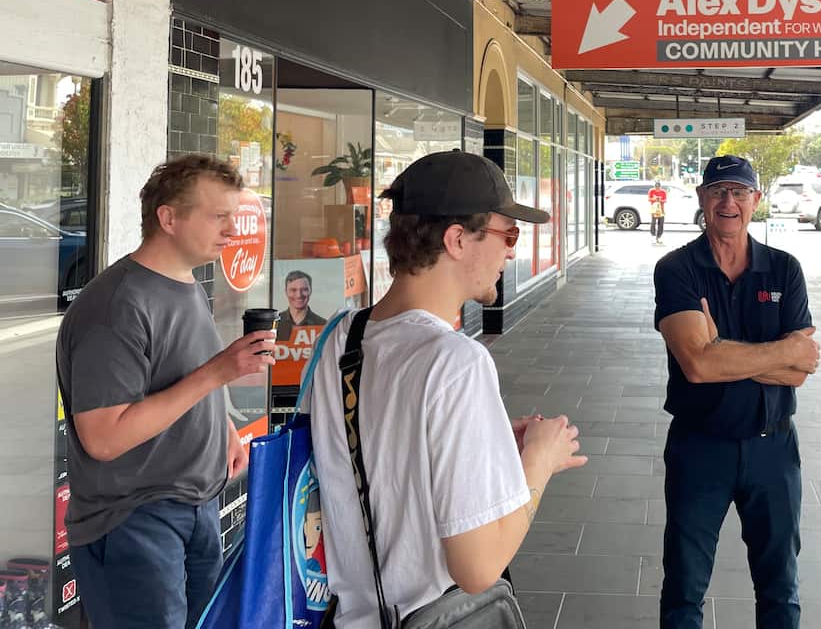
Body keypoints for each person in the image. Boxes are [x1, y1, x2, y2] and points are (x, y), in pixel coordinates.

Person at [306, 151, 587, 626]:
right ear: (457, 239)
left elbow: (386, 451)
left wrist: (488, 441)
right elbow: (478, 568)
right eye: (507, 234)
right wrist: (537, 463)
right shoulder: (457, 362)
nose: (512, 252)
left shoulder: (343, 335)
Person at [56, 154, 277, 629]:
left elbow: (179, 377)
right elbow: (104, 438)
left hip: (195, 508)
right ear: (168, 218)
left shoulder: (185, 284)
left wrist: (223, 432)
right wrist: (218, 374)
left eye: (234, 218)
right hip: (133, 520)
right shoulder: (116, 305)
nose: (232, 231)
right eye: (219, 217)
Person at [654, 154, 820, 629]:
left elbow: (801, 370)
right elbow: (698, 366)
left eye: (740, 192)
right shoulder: (677, 268)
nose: (730, 201)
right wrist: (776, 351)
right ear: (703, 199)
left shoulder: (784, 269)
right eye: (719, 191)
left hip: (773, 449)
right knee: (685, 587)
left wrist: (722, 349)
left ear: (756, 200)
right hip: (699, 446)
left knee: (780, 587)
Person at [276, 269, 326, 342]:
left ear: (310, 291)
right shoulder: (274, 325)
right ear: (286, 292)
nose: (299, 295)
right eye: (293, 290)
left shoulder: (323, 326)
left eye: (304, 289)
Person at [649, 178, 668, 244]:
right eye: (656, 187)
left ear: (660, 187)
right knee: (653, 222)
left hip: (661, 210)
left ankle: (659, 236)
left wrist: (660, 200)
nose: (657, 188)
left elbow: (665, 200)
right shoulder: (651, 191)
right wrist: (654, 199)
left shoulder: (663, 192)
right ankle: (653, 234)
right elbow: (649, 199)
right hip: (654, 209)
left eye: (658, 187)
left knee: (661, 223)